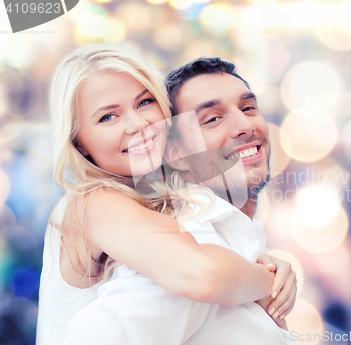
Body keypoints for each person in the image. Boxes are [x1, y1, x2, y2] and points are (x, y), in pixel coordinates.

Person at [36, 44, 295, 345]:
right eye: (108, 117)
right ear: (79, 143)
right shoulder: (92, 202)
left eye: (144, 102)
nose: (139, 124)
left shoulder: (163, 205)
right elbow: (201, 273)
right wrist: (269, 279)